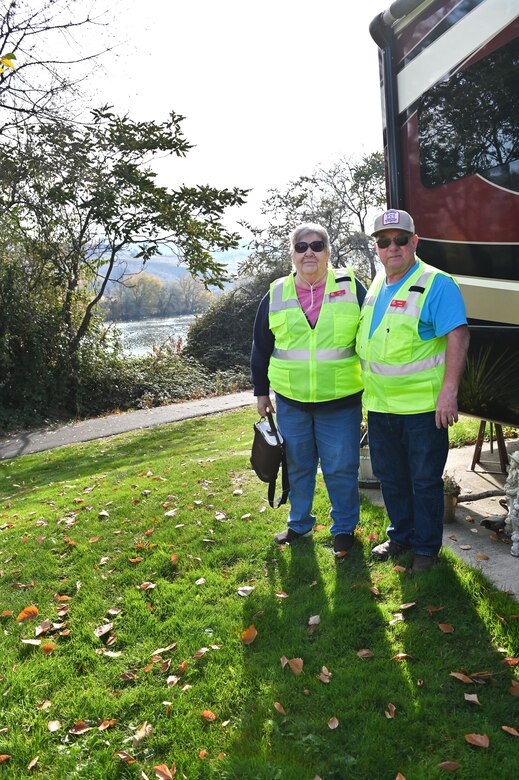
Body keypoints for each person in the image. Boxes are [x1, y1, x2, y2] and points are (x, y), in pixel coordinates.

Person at [356, 208, 470, 572]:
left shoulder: (437, 284)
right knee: (391, 478)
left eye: (401, 240)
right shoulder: (376, 284)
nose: (393, 247)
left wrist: (448, 393)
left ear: (414, 242)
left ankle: (425, 549)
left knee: (424, 481)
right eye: (385, 241)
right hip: (380, 408)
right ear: (376, 247)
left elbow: (458, 335)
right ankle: (401, 536)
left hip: (423, 409)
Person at [251, 223, 366, 557]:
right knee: (298, 465)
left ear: (328, 252)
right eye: (301, 248)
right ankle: (299, 524)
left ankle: (343, 528)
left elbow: (371, 339)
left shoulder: (351, 287)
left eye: (316, 246)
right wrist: (262, 393)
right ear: (292, 255)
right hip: (292, 403)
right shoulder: (275, 293)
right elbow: (261, 347)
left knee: (341, 468)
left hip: (341, 402)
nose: (309, 253)